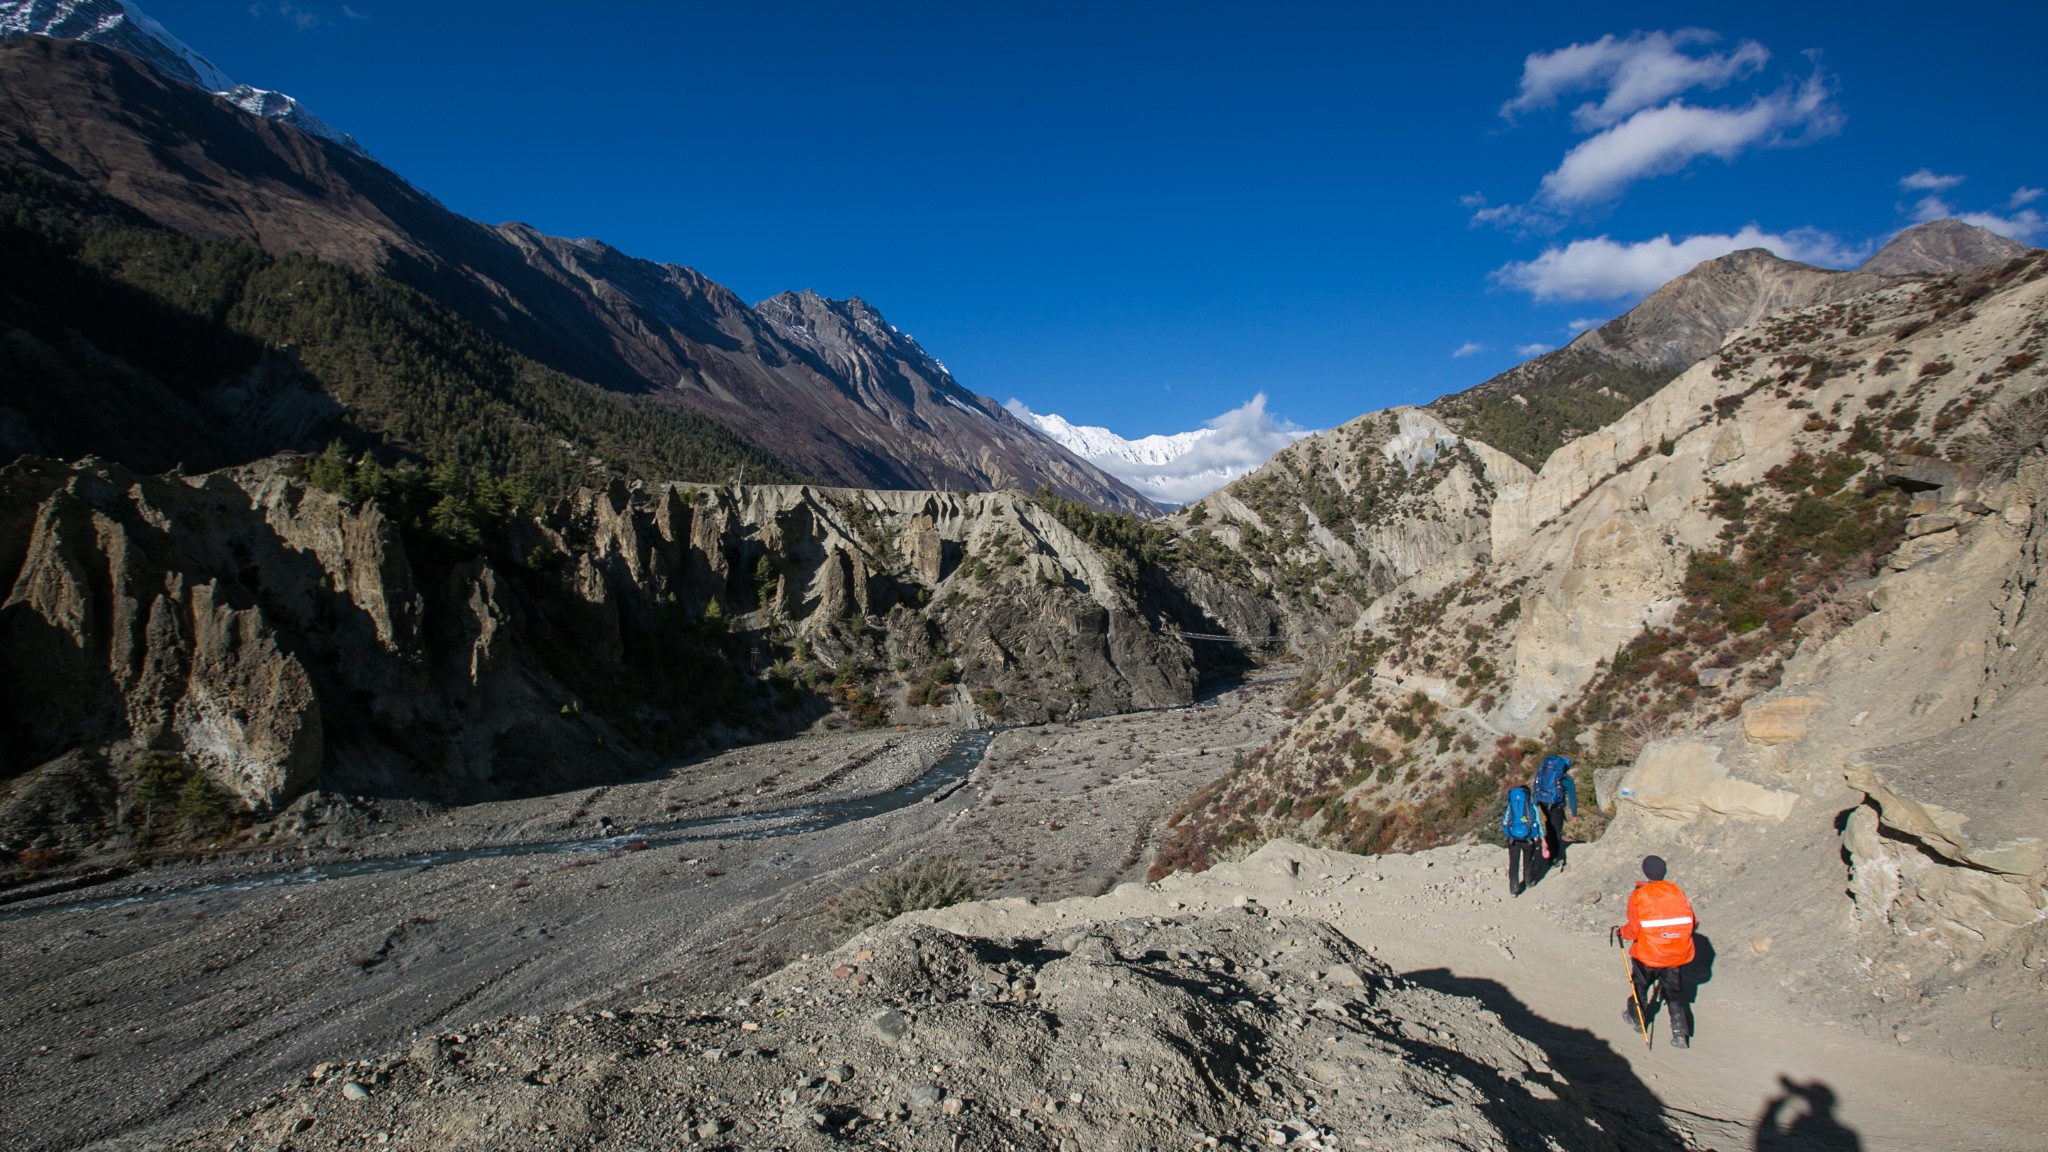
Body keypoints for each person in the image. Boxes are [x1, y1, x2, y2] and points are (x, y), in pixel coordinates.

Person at [1614, 855, 1697, 1048]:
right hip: (1677, 952)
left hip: (1649, 953)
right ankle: (1680, 1033)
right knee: (1674, 992)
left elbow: (1634, 928)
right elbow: (1692, 921)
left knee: (1640, 986)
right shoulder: (1675, 891)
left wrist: (1620, 932)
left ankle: (1637, 1018)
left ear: (1645, 871)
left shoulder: (1640, 894)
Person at [1532, 755, 1578, 868]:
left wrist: (1534, 805)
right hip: (1556, 805)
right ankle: (1554, 858)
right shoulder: (1566, 779)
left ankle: (1547, 846)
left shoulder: (1543, 774)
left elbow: (1536, 787)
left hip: (1542, 802)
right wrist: (1574, 814)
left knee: (1550, 824)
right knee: (1557, 831)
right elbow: (1572, 796)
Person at [1500, 785, 1543, 896]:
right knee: (1527, 862)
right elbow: (1538, 823)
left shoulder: (1511, 807)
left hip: (1513, 839)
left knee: (1513, 864)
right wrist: (1542, 838)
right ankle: (1528, 882)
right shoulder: (1531, 807)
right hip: (1528, 839)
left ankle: (1514, 889)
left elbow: (1505, 821)